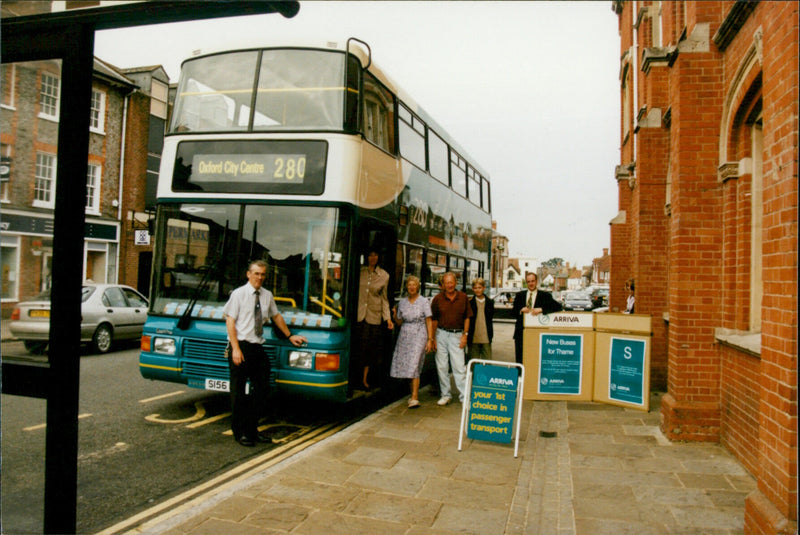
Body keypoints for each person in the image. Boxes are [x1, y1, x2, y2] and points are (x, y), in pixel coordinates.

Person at [224, 260, 307, 447]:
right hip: (240, 347)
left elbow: (276, 316)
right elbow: (230, 322)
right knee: (238, 393)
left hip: (257, 347)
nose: (259, 277)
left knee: (261, 390)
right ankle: (240, 433)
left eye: (262, 274)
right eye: (256, 274)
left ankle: (252, 431)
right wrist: (235, 348)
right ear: (248, 274)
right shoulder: (238, 294)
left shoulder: (267, 295)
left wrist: (290, 336)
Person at [390, 275, 434, 408]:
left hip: (420, 334)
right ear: (407, 287)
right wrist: (393, 315)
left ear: (418, 286)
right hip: (405, 334)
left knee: (414, 364)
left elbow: (429, 320)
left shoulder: (423, 301)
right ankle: (411, 393)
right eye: (409, 285)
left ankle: (414, 397)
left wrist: (430, 339)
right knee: (407, 364)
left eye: (414, 285)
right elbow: (399, 322)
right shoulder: (402, 302)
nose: (412, 287)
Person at [431, 272, 473, 405]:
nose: (449, 285)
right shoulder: (437, 299)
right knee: (442, 367)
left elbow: (467, 317)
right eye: (446, 283)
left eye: (451, 282)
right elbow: (434, 320)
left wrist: (465, 335)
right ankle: (445, 395)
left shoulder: (463, 297)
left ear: (455, 283)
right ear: (443, 284)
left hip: (457, 335)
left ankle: (464, 397)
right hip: (441, 334)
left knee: (459, 367)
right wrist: (432, 339)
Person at [354, 249, 393, 390]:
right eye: (370, 255)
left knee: (369, 350)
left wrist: (388, 318)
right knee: (358, 348)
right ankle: (355, 378)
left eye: (375, 255)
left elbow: (384, 299)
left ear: (379, 257)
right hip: (358, 315)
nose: (373, 258)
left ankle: (364, 380)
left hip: (373, 318)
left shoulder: (384, 276)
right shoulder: (359, 271)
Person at [513, 272, 562, 365]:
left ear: (536, 282)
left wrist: (542, 309)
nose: (531, 284)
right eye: (528, 282)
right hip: (521, 333)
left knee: (535, 359)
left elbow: (558, 307)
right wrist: (520, 310)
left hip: (537, 333)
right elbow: (513, 312)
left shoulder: (545, 295)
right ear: (526, 283)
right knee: (520, 359)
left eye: (532, 281)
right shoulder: (520, 295)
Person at [467, 277, 494, 364]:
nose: (477, 290)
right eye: (475, 288)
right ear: (472, 289)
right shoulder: (469, 302)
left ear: (484, 288)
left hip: (486, 337)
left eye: (479, 288)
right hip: (473, 337)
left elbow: (490, 318)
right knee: (473, 364)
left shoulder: (490, 302)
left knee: (487, 363)